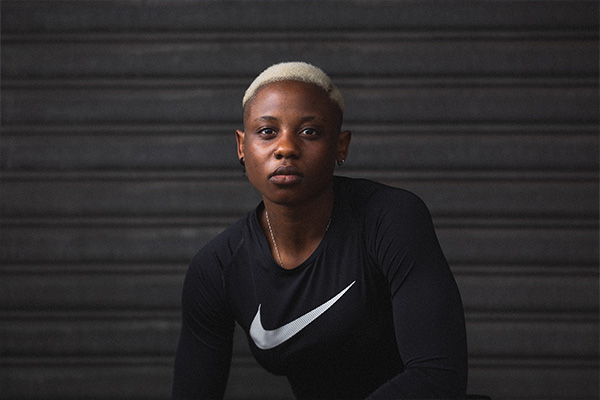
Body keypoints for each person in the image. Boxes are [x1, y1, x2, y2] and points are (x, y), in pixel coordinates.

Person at [172, 62, 468, 399]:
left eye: (309, 131)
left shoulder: (390, 219)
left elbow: (438, 376)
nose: (286, 148)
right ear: (242, 146)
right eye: (267, 131)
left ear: (341, 146)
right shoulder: (217, 268)